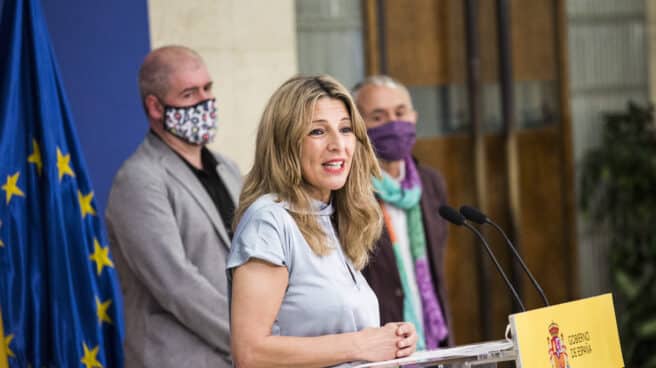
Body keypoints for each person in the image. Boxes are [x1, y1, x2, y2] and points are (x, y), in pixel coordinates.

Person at [227, 75, 418, 367]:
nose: (337, 144)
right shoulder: (269, 221)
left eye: (345, 129)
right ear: (285, 142)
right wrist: (360, 344)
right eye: (318, 131)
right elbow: (250, 353)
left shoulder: (334, 215)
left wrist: (391, 339)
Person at [105, 45, 241, 368]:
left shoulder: (228, 169)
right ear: (155, 106)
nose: (205, 102)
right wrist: (250, 339)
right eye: (189, 94)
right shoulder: (138, 179)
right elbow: (176, 284)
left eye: (207, 88)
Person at [353, 75, 452, 350]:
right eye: (378, 117)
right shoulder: (350, 191)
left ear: (414, 116)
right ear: (357, 126)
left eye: (400, 113)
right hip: (380, 345)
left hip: (432, 339)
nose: (393, 124)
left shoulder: (430, 183)